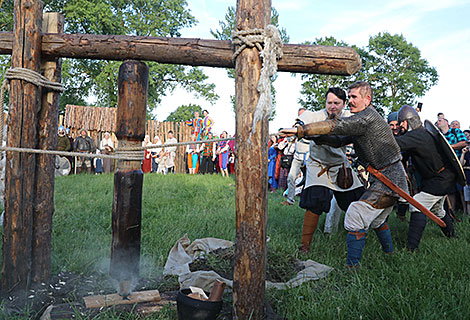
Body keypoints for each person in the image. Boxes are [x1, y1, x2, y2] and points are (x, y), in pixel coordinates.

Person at [281, 81, 408, 266]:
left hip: (388, 179)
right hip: (382, 177)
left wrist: (301, 131)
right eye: (349, 98)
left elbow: (338, 127)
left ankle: (352, 268)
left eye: (354, 97)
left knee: (356, 213)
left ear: (367, 99)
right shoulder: (360, 119)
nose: (351, 102)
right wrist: (308, 134)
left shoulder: (365, 118)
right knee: (377, 218)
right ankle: (389, 255)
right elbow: (338, 139)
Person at [283, 87, 365, 253]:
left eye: (337, 103)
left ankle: (364, 241)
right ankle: (305, 246)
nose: (332, 106)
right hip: (318, 166)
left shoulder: (349, 118)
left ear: (343, 104)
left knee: (358, 203)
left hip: (341, 167)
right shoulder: (315, 116)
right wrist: (299, 128)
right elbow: (301, 121)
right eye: (329, 102)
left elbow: (346, 137)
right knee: (315, 201)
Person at [395, 105, 456, 251]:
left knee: (417, 204)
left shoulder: (416, 135)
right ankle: (452, 236)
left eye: (401, 123)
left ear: (406, 122)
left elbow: (393, 145)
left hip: (440, 180)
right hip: (441, 178)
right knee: (438, 210)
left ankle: (411, 248)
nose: (399, 126)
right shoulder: (421, 134)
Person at [281, 108, 312, 206]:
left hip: (309, 155)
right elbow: (291, 137)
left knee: (310, 180)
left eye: (302, 115)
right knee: (291, 177)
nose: (300, 118)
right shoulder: (297, 126)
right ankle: (290, 200)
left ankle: (309, 201)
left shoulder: (311, 126)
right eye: (299, 115)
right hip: (297, 155)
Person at [436, 117, 467, 212]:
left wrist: (449, 147)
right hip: (445, 167)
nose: (438, 122)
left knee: (462, 191)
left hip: (458, 166)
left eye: (440, 120)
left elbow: (464, 142)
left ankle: (465, 212)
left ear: (446, 122)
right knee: (450, 192)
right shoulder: (438, 136)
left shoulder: (456, 131)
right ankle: (451, 212)